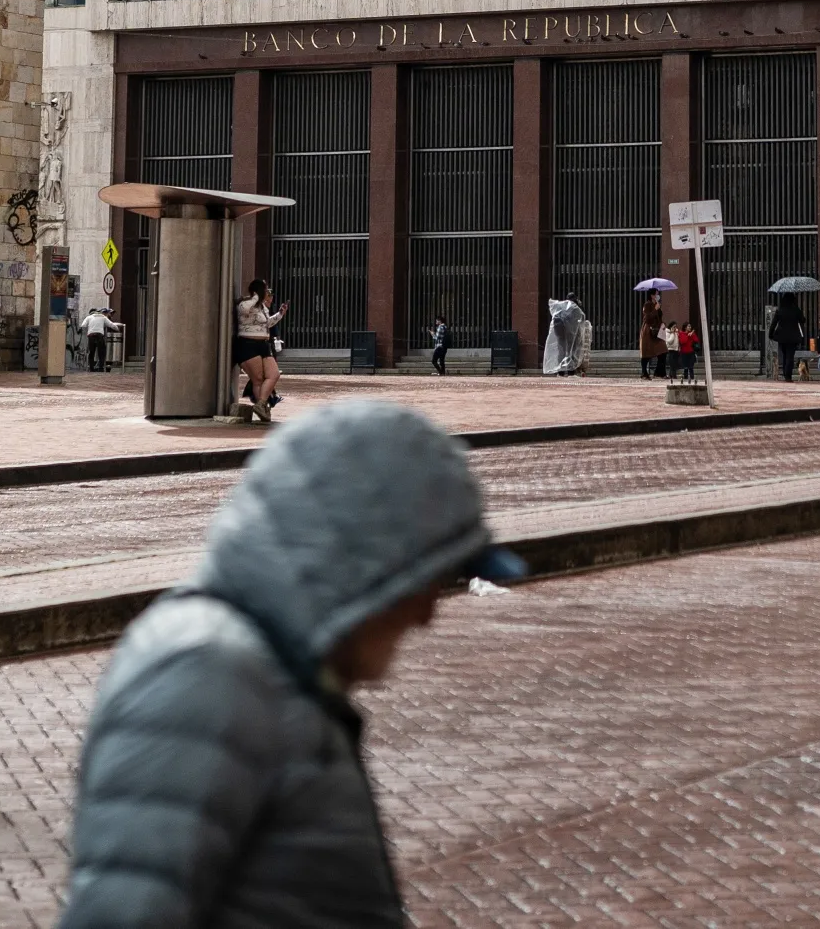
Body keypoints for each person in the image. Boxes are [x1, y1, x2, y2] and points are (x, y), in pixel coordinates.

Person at [57, 400, 523, 928]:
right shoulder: (207, 677)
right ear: (365, 558)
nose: (428, 614)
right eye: (427, 579)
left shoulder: (273, 672)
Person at [234, 279, 289, 421]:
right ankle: (263, 409)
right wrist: (256, 297)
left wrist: (279, 315)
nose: (267, 292)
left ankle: (261, 404)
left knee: (273, 374)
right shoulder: (246, 303)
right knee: (258, 379)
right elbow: (243, 310)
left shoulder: (262, 307)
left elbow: (266, 323)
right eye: (265, 290)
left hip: (263, 344)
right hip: (248, 344)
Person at [543, 294, 591, 375]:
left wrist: (558, 333)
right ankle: (570, 371)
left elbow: (556, 320)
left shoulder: (561, 306)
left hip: (561, 333)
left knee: (561, 351)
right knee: (572, 351)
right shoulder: (576, 308)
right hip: (571, 334)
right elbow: (580, 321)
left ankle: (561, 370)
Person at [768, 295, 809, 382]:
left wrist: (770, 334)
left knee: (784, 355)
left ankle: (785, 374)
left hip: (782, 337)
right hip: (793, 337)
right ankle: (788, 376)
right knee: (790, 356)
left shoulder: (780, 310)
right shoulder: (796, 310)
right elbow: (803, 320)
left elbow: (773, 323)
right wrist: (798, 310)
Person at [639, 292, 669, 380]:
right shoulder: (647, 305)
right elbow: (647, 318)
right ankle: (644, 373)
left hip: (657, 331)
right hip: (648, 332)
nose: (658, 295)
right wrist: (655, 309)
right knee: (646, 354)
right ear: (652, 295)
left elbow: (659, 317)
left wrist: (659, 309)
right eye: (656, 293)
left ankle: (659, 372)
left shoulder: (657, 304)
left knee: (663, 350)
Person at [80, 307, 116, 372]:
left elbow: (83, 325)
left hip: (91, 335)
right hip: (99, 335)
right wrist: (117, 329)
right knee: (101, 352)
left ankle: (91, 368)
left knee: (91, 352)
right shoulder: (103, 317)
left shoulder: (89, 317)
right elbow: (111, 325)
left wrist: (89, 328)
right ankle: (101, 368)